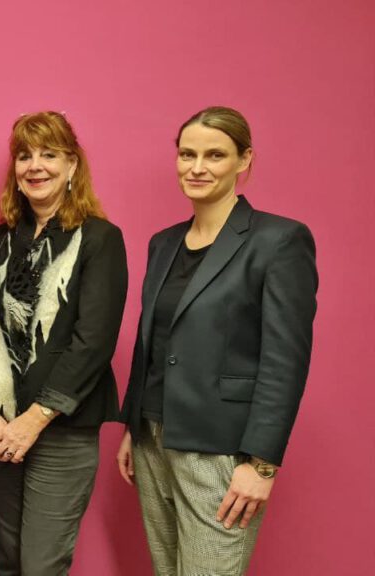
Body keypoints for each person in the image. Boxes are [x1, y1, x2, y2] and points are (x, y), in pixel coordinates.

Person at [116, 106, 318, 575]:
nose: (197, 167)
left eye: (215, 155)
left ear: (244, 160)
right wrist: (132, 425)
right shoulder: (163, 243)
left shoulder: (279, 241)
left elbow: (285, 361)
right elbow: (153, 341)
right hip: (152, 442)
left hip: (222, 450)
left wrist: (262, 464)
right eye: (187, 154)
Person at [0, 112, 128, 575]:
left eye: (49, 154)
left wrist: (32, 422)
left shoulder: (100, 239)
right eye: (24, 155)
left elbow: (93, 341)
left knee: (41, 566)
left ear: (73, 165)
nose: (35, 166)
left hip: (60, 429)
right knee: (9, 563)